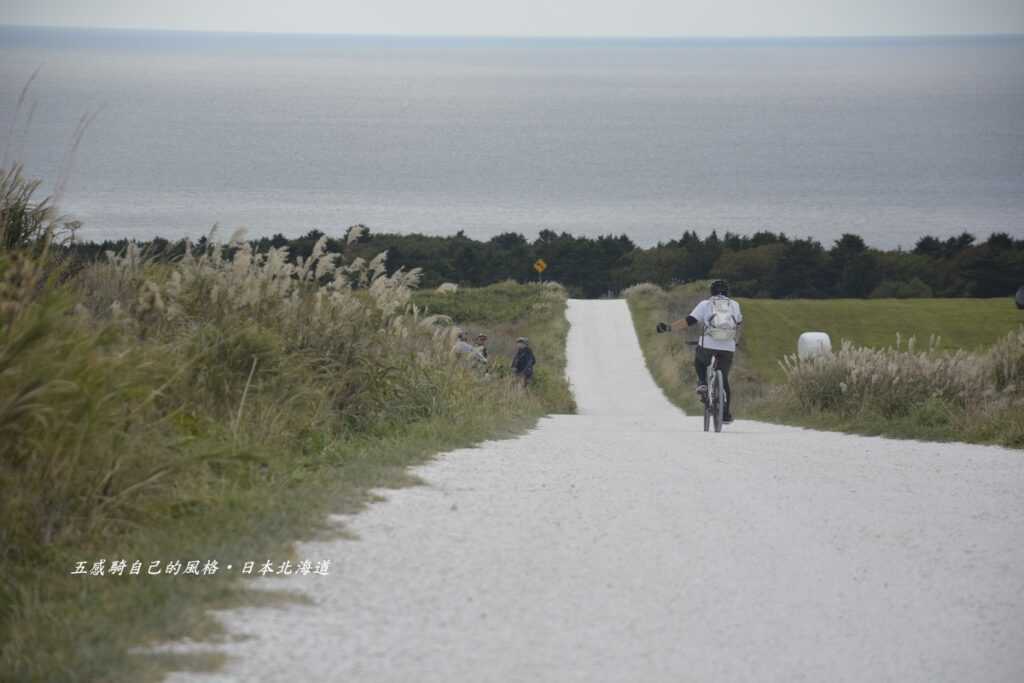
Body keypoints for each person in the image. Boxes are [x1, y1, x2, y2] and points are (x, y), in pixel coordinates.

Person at [656, 279, 742, 423]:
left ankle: (702, 382)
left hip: (708, 343)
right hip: (728, 346)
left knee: (700, 360)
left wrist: (669, 328)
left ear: (712, 292)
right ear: (727, 292)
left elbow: (689, 321)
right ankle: (725, 414)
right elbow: (738, 323)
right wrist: (735, 341)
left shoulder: (705, 304)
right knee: (724, 378)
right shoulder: (734, 304)